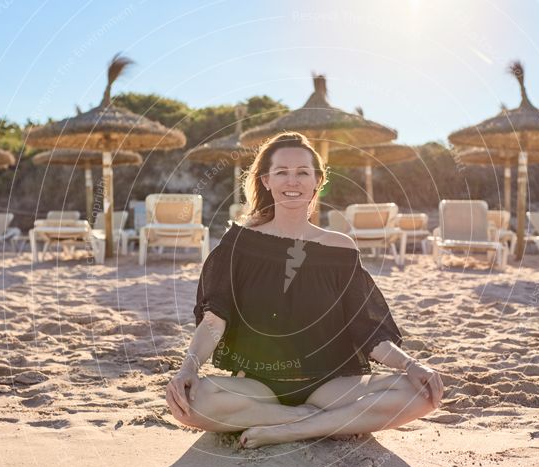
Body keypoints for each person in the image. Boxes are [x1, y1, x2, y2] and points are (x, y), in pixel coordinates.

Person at [165, 132, 444, 448]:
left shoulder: (340, 249)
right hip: (258, 387)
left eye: (302, 173)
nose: (292, 181)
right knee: (189, 402)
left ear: (318, 181)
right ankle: (315, 422)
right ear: (267, 180)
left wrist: (411, 365)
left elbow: (370, 334)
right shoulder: (237, 246)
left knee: (422, 394)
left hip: (330, 386)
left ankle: (292, 429)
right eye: (282, 172)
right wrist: (188, 368)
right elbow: (214, 322)